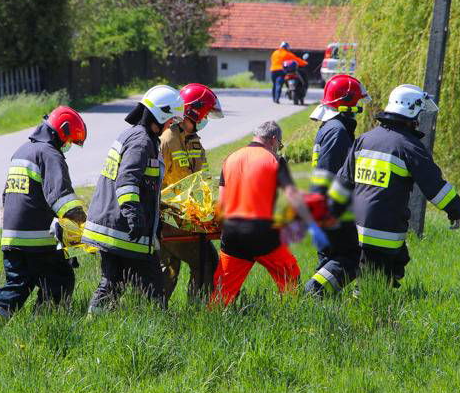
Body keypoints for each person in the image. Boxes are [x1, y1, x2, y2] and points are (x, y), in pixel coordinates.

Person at [327, 84, 460, 287]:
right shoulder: (409, 147)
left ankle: (315, 291)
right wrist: (456, 210)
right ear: (412, 113)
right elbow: (434, 186)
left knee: (354, 263)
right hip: (384, 231)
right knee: (375, 281)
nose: (419, 121)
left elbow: (342, 183)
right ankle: (364, 311)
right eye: (419, 115)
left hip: (353, 226)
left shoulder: (365, 139)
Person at [0, 106, 88, 327]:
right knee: (60, 280)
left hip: (11, 238)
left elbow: (9, 196)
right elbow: (61, 196)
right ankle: (45, 325)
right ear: (62, 131)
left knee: (17, 285)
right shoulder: (50, 154)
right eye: (69, 141)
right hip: (37, 239)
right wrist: (82, 222)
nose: (67, 146)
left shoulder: (22, 151)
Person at [82, 85, 184, 312]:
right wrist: (135, 217)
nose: (171, 126)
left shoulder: (133, 135)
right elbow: (127, 182)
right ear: (161, 114)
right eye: (171, 120)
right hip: (125, 230)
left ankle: (93, 322)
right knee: (153, 287)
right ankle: (161, 329)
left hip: (114, 227)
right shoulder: (141, 142)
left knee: (112, 283)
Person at [211, 121, 328, 307]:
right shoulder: (275, 160)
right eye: (279, 144)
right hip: (261, 232)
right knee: (290, 274)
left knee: (222, 289)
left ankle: (212, 320)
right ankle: (292, 312)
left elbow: (221, 203)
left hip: (232, 232)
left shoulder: (230, 158)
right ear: (274, 140)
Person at [304, 74, 369, 297]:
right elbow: (332, 176)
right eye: (357, 102)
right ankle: (314, 293)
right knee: (351, 257)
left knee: (331, 257)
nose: (359, 107)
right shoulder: (338, 132)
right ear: (347, 103)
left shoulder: (332, 127)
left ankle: (321, 300)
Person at [159, 83, 223, 302]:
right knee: (205, 262)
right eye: (204, 116)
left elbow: (202, 179)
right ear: (193, 112)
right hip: (170, 217)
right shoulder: (169, 139)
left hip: (185, 215)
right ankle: (198, 311)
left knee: (171, 268)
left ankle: (157, 310)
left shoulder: (193, 141)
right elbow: (181, 183)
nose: (205, 121)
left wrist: (212, 207)